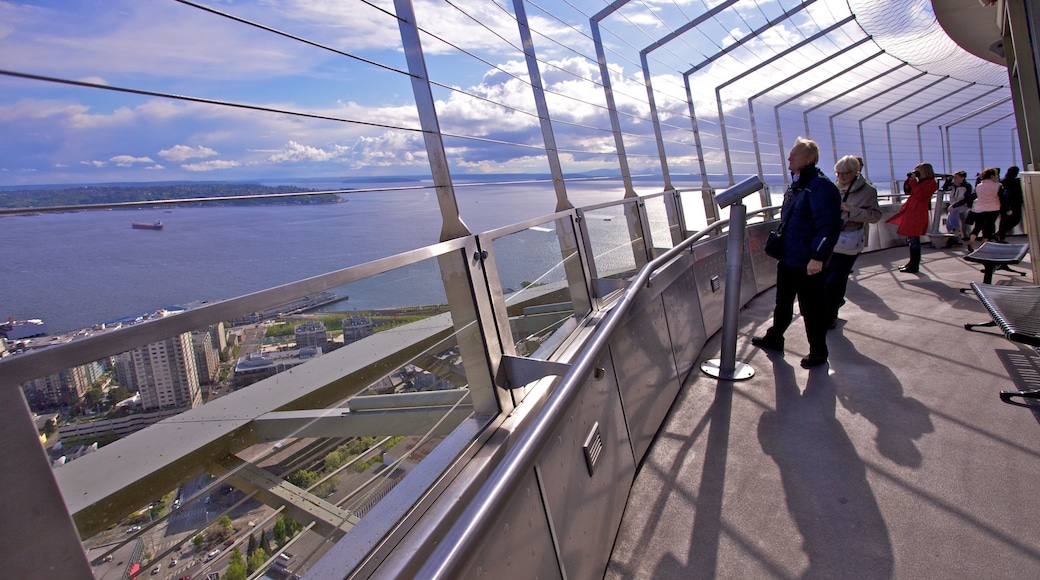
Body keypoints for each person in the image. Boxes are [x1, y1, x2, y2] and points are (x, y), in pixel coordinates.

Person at [751, 137, 842, 368]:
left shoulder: (820, 187)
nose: (789, 158)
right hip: (790, 257)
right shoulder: (799, 185)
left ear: (810, 158)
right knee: (783, 302)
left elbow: (828, 226)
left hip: (808, 261)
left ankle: (819, 353)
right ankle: (775, 337)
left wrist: (817, 257)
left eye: (795, 155)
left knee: (811, 308)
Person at [824, 155, 881, 329]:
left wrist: (852, 211)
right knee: (825, 277)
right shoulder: (832, 188)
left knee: (837, 278)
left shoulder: (868, 191)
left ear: (855, 172)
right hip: (830, 238)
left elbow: (875, 215)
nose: (841, 176)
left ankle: (830, 315)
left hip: (849, 241)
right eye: (838, 173)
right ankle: (830, 307)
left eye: (845, 173)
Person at [885, 163, 937, 273]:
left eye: (918, 172)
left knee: (914, 239)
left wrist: (913, 182)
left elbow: (920, 195)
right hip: (911, 211)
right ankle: (911, 263)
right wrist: (909, 180)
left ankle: (914, 265)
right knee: (911, 239)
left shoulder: (931, 183)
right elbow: (908, 191)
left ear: (925, 171)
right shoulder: (919, 182)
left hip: (917, 213)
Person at [967, 167, 1002, 251]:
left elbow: (975, 196)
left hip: (979, 208)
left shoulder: (979, 186)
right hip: (993, 208)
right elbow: (1001, 196)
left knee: (978, 226)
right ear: (992, 176)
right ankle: (983, 244)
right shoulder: (998, 185)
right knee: (988, 227)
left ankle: (971, 241)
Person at [945, 171, 973, 246]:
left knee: (954, 212)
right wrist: (948, 180)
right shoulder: (953, 185)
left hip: (963, 205)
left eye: (956, 177)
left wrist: (954, 205)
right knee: (950, 219)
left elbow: (966, 199)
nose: (955, 179)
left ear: (962, 177)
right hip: (954, 205)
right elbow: (944, 188)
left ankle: (955, 232)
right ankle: (955, 236)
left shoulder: (967, 186)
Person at [996, 165, 1023, 242]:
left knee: (1004, 220)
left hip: (1004, 204)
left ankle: (1001, 236)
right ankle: (1000, 234)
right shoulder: (1016, 182)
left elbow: (1001, 194)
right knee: (1015, 219)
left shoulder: (1003, 182)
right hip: (1014, 204)